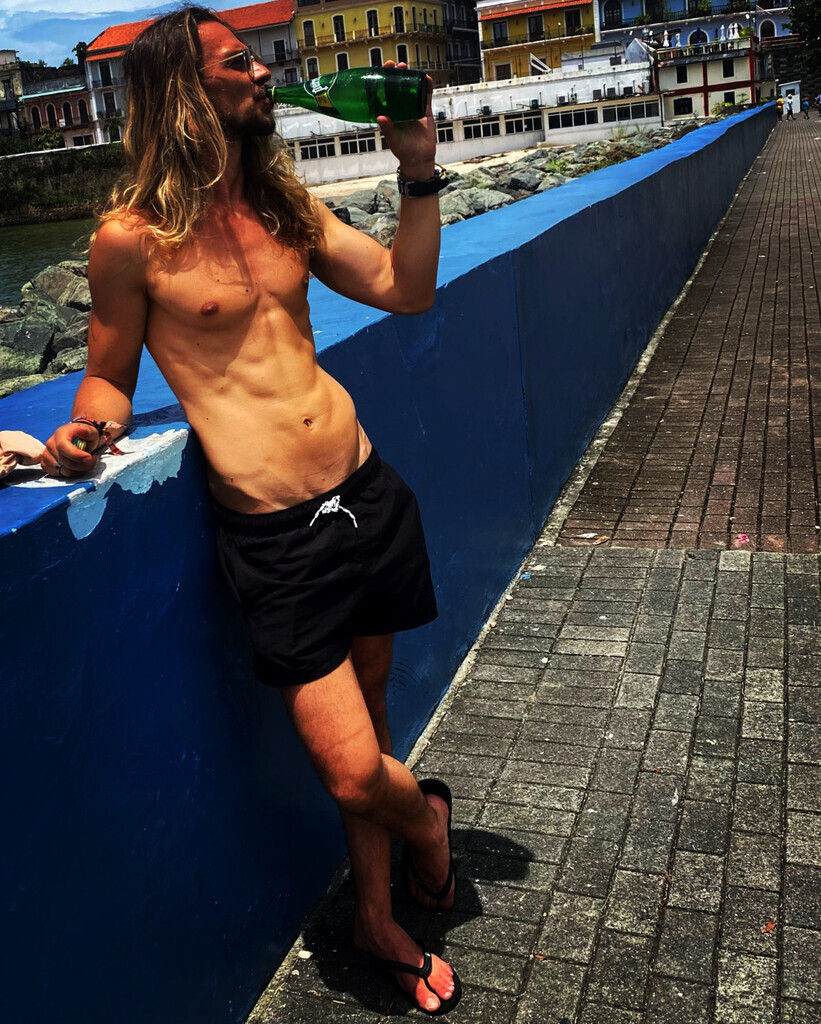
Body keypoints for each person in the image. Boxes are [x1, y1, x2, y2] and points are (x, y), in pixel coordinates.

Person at [40, 6, 461, 1016]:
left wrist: (417, 170)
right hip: (276, 538)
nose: (265, 73)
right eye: (240, 63)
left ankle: (375, 917)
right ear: (186, 93)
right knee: (355, 772)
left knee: (374, 718)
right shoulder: (129, 242)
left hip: (365, 492)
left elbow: (404, 289)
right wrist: (83, 430)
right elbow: (108, 379)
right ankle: (428, 822)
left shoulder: (283, 205)